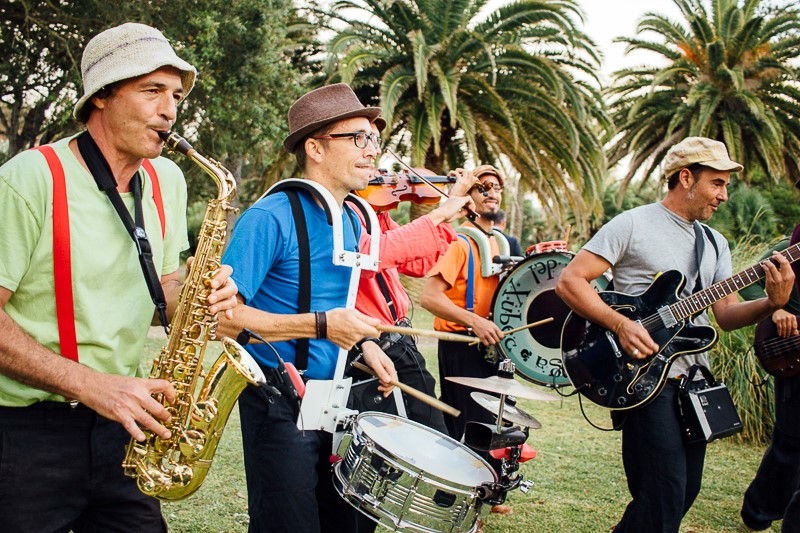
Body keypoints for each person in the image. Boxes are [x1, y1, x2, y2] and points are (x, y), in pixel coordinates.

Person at [0, 23, 240, 531]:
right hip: (24, 433)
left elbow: (167, 289)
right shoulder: (29, 177)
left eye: (175, 95)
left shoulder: (167, 180)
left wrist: (200, 296)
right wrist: (92, 386)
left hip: (125, 426)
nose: (170, 110)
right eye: (152, 90)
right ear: (102, 97)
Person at [555, 136, 795, 532]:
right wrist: (621, 324)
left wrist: (773, 302)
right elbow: (571, 281)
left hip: (693, 382)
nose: (724, 196)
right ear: (686, 177)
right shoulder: (633, 223)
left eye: (726, 186)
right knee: (663, 495)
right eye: (717, 183)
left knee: (685, 491)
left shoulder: (715, 243)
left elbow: (727, 315)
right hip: (644, 378)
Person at [216, 83, 398, 533]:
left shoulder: (356, 217)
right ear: (315, 147)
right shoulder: (268, 217)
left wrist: (363, 345)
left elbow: (337, 302)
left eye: (373, 138)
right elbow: (223, 320)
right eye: (356, 138)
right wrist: (321, 326)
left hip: (343, 400)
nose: (371, 149)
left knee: (349, 523)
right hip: (279, 402)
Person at [348, 117, 475, 434]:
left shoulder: (377, 214)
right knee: (429, 430)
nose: (384, 175)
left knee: (406, 428)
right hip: (376, 340)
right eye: (363, 142)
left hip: (399, 335)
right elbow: (379, 254)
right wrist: (442, 210)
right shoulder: (348, 211)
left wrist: (444, 220)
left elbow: (415, 264)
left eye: (376, 143)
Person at [739, 228, 800, 532]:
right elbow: (747, 284)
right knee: (789, 444)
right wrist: (778, 308)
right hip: (792, 353)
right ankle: (757, 513)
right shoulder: (791, 245)